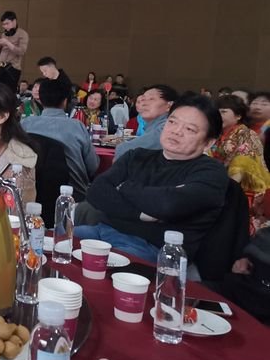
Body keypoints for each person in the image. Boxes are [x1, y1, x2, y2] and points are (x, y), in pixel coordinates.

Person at [74, 96, 229, 263]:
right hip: (101, 231)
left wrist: (124, 187)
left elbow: (169, 204)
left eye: (190, 129)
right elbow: (96, 191)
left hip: (154, 249)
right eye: (172, 122)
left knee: (95, 266)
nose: (176, 131)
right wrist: (140, 213)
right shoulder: (137, 156)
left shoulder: (211, 172)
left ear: (208, 142)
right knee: (58, 241)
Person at [22, 79, 98, 200]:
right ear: (65, 101)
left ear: (40, 99)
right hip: (72, 197)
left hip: (31, 195)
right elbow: (93, 167)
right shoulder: (76, 126)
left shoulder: (25, 124)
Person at [209, 95, 270, 234]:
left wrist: (224, 189)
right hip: (223, 184)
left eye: (223, 111)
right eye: (216, 111)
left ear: (238, 116)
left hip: (245, 189)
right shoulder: (218, 134)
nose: (218, 115)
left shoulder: (247, 134)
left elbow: (241, 165)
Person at [114, 84, 178, 160]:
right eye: (143, 99)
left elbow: (124, 150)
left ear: (169, 105)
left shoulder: (166, 128)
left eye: (151, 99)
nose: (143, 104)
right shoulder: (154, 126)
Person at [0, 11, 29, 93]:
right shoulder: (4, 34)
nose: (5, 26)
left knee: (9, 92)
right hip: (2, 67)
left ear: (14, 21)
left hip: (13, 68)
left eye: (7, 23)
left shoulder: (22, 34)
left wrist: (7, 43)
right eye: (3, 24)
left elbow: (21, 51)